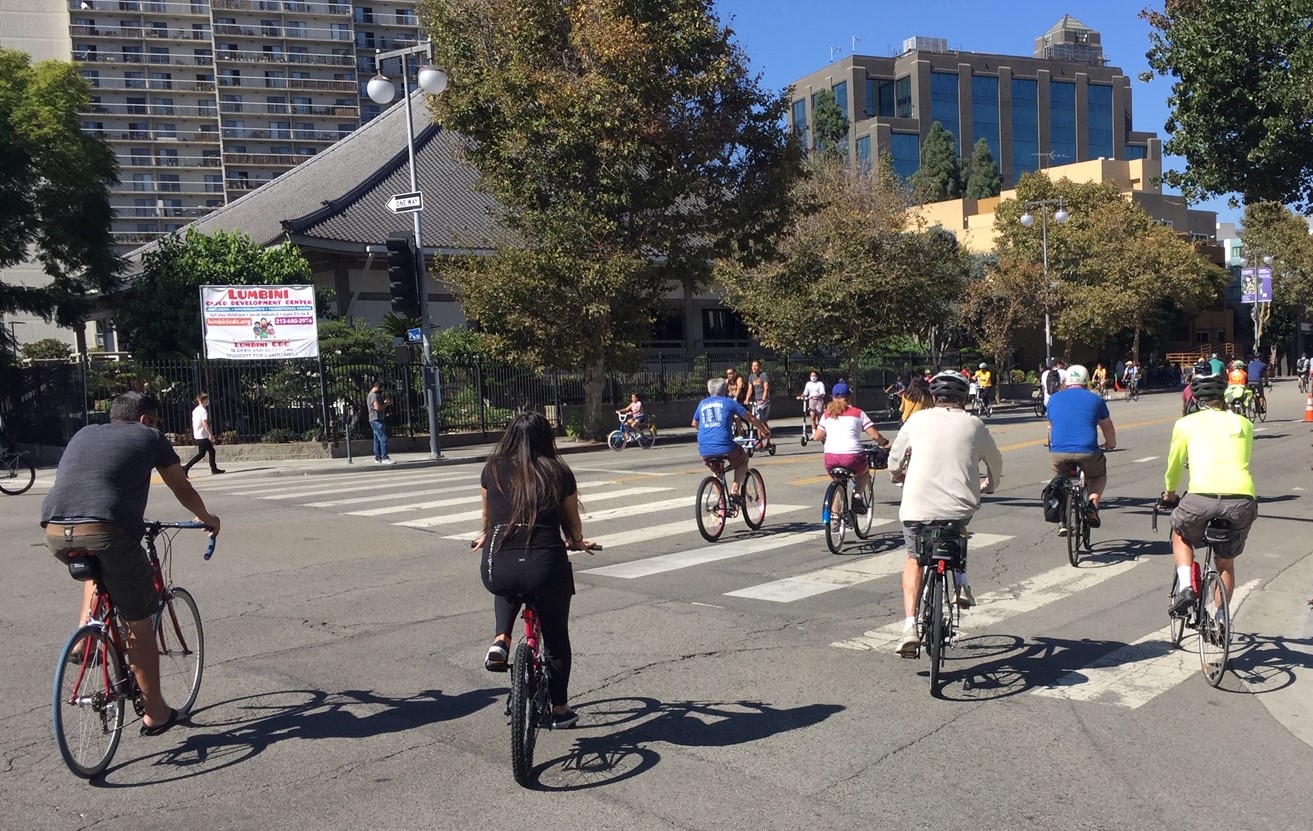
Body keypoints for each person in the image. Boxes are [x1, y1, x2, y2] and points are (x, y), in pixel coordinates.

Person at [40, 391, 220, 737]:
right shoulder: (149, 436)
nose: (156, 427)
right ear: (144, 419)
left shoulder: (84, 433)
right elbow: (181, 486)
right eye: (155, 421)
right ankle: (155, 712)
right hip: (107, 529)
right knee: (139, 620)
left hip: (56, 529)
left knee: (98, 568)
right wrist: (207, 518)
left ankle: (85, 638)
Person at [472, 412, 597, 730]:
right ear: (546, 437)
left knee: (508, 583)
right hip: (546, 565)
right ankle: (560, 711)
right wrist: (578, 541)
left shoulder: (493, 469)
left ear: (510, 435)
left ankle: (501, 638)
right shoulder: (558, 471)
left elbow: (488, 517)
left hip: (496, 564)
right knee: (556, 638)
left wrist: (486, 536)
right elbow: (572, 520)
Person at [889, 371, 1002, 655]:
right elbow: (995, 462)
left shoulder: (917, 420)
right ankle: (961, 582)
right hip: (959, 508)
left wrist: (896, 474)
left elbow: (895, 457)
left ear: (934, 397)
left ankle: (910, 627)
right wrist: (991, 484)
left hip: (917, 507)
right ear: (963, 397)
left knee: (915, 558)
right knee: (958, 528)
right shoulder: (975, 424)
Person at [1159, 374, 1257, 617]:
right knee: (1226, 562)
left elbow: (1174, 464)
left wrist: (1170, 493)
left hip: (1200, 496)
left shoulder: (1185, 424)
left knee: (1181, 532)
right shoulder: (1243, 423)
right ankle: (1221, 619)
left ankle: (1186, 586)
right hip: (1240, 498)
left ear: (1196, 399)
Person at [1047, 364, 1116, 531]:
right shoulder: (1096, 400)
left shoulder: (1053, 399)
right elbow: (1107, 427)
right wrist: (1110, 444)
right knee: (1099, 474)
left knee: (1061, 478)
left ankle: (1063, 519)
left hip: (1059, 452)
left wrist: (1052, 446)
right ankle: (1093, 504)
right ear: (1086, 381)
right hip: (1088, 451)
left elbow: (1050, 428)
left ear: (1066, 381)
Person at [813, 382, 890, 513]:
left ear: (832, 397)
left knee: (839, 482)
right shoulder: (858, 413)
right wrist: (884, 443)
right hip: (852, 457)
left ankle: (835, 517)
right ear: (849, 397)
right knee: (864, 472)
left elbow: (817, 437)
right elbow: (874, 435)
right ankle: (857, 494)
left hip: (830, 459)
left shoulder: (826, 415)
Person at [692, 377, 770, 504]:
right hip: (725, 445)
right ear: (725, 390)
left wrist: (708, 433)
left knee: (717, 472)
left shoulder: (702, 403)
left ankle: (721, 505)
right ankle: (734, 490)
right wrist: (764, 431)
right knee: (743, 459)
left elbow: (694, 423)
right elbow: (750, 417)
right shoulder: (728, 402)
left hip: (704, 449)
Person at [182, 393, 225, 477]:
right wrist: (210, 434)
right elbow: (204, 423)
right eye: (207, 399)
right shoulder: (203, 411)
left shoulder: (195, 410)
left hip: (198, 434)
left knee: (211, 451)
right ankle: (186, 467)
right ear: (204, 400)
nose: (208, 401)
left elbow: (193, 423)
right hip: (202, 435)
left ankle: (214, 468)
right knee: (201, 454)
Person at [746, 359, 774, 449]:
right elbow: (750, 389)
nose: (754, 367)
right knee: (760, 421)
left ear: (759, 367)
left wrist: (763, 398)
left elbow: (766, 388)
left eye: (756, 366)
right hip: (757, 401)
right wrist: (746, 399)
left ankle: (764, 441)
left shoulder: (763, 375)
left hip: (764, 401)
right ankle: (762, 441)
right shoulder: (751, 377)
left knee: (760, 421)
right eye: (753, 366)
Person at [367, 381, 394, 464]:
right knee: (383, 438)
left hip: (374, 419)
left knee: (377, 439)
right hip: (377, 419)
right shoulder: (374, 395)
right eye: (381, 389)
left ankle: (378, 457)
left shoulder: (371, 395)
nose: (382, 391)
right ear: (378, 387)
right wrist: (386, 405)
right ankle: (385, 457)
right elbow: (377, 407)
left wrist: (384, 403)